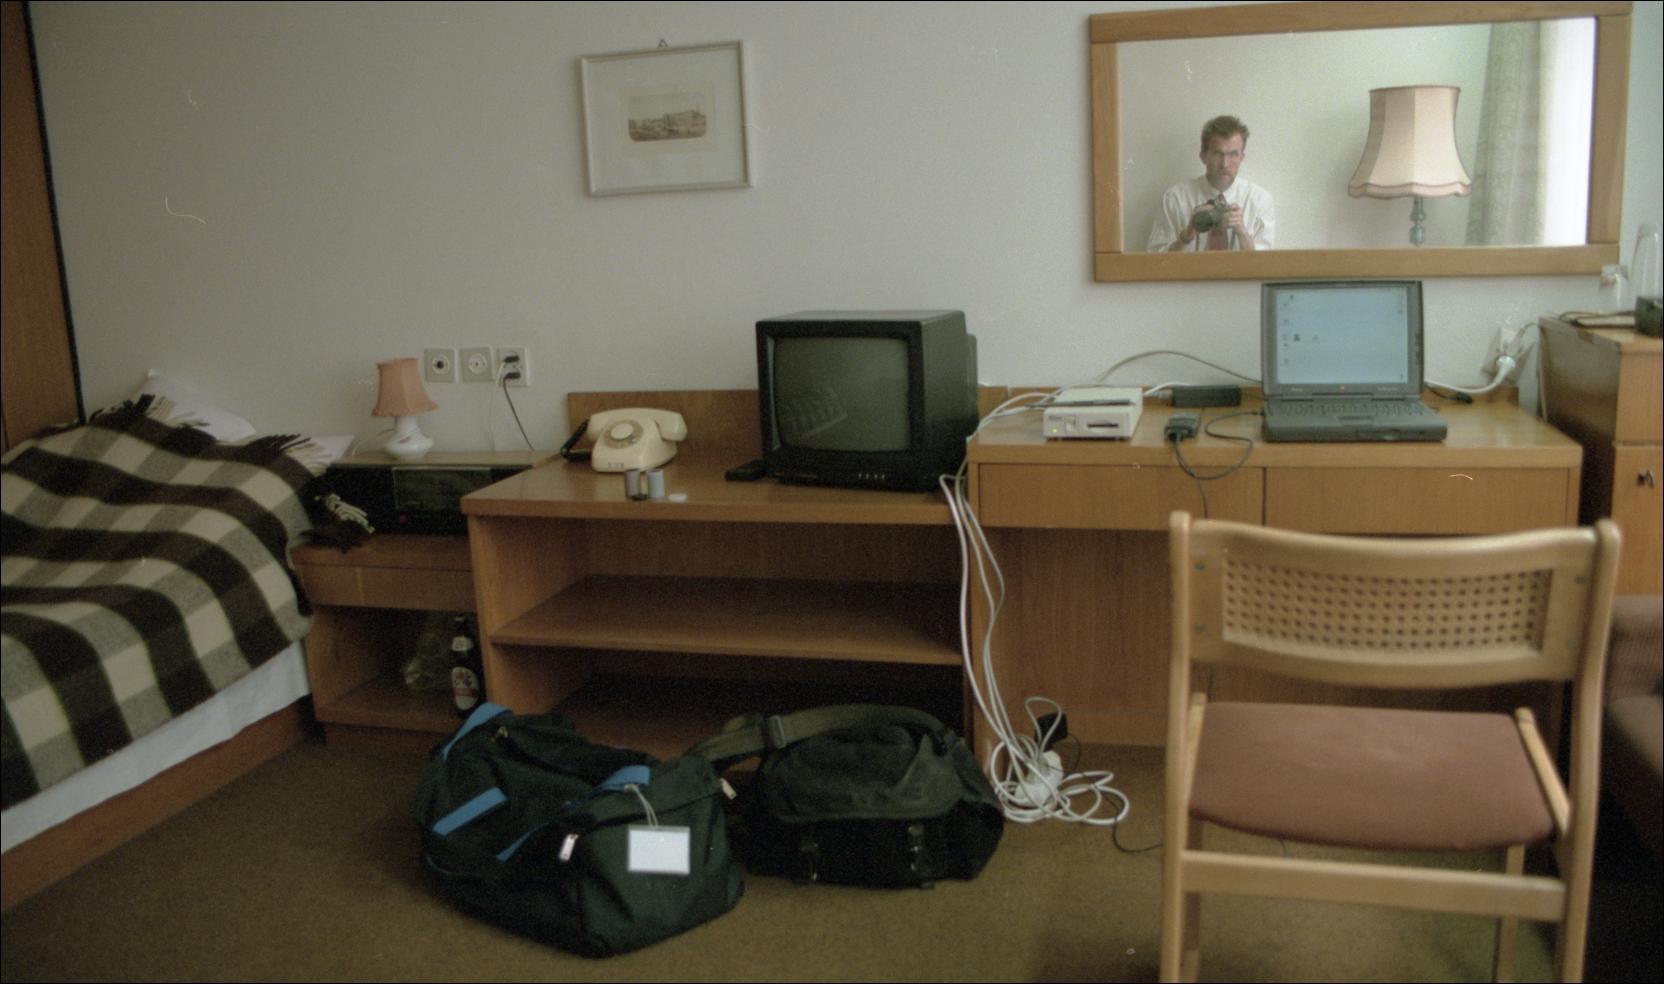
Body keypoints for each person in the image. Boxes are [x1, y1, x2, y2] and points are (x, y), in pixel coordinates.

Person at [1148, 115, 1274, 252]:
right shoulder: (1176, 198)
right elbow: (1155, 259)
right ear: (1203, 156)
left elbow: (1267, 262)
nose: (1224, 164)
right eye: (1217, 154)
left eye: (1233, 154)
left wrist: (1242, 232)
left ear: (1241, 158)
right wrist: (1188, 234)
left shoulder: (1259, 200)